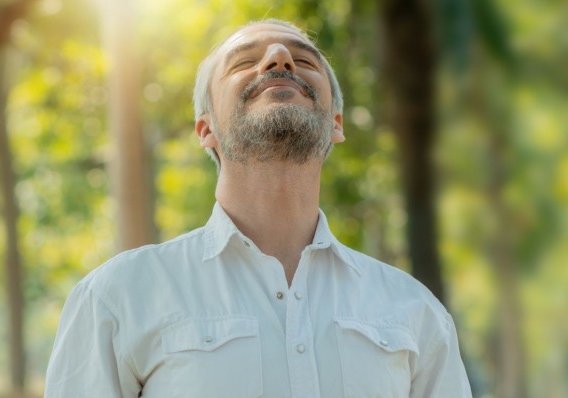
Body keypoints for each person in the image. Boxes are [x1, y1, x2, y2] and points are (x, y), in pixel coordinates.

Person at [45, 19, 472, 397]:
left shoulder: (415, 312)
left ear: (336, 124)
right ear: (206, 129)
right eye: (242, 62)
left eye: (304, 62)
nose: (279, 58)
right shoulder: (117, 298)